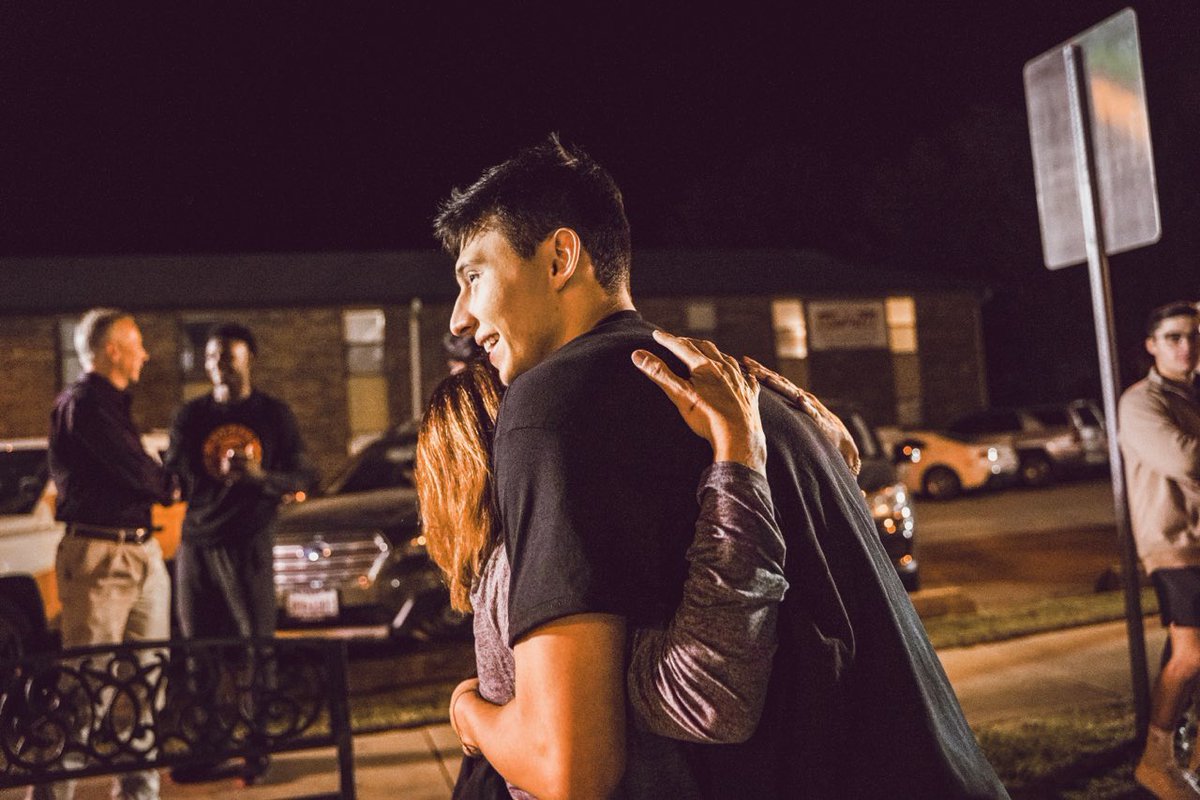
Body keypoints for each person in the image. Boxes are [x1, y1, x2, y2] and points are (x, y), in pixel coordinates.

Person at [433, 135, 1007, 798]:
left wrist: (466, 710)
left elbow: (568, 766)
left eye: (474, 275)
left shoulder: (552, 402)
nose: (461, 318)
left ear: (561, 257)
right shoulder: (748, 390)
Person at [163, 322, 318, 783]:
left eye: (227, 357)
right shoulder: (190, 418)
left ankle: (256, 747)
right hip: (198, 543)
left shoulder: (273, 415)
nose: (218, 367)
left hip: (248, 540)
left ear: (248, 358)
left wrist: (260, 478)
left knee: (256, 648)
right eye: (211, 358)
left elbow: (304, 475)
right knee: (200, 649)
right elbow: (176, 473)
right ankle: (209, 746)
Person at [42, 308, 177, 800]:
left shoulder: (112, 407)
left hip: (140, 552)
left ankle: (139, 793)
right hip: (100, 557)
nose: (145, 353)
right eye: (136, 343)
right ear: (111, 350)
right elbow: (138, 472)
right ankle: (54, 793)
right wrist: (168, 481)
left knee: (148, 682)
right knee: (87, 686)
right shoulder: (83, 405)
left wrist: (159, 479)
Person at [1118, 301, 1200, 799]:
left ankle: (1192, 757)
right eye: (1173, 337)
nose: (1185, 346)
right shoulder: (1140, 402)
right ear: (1151, 345)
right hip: (1173, 544)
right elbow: (1184, 458)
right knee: (1190, 654)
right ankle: (1156, 759)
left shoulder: (1190, 396)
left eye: (1193, 335)